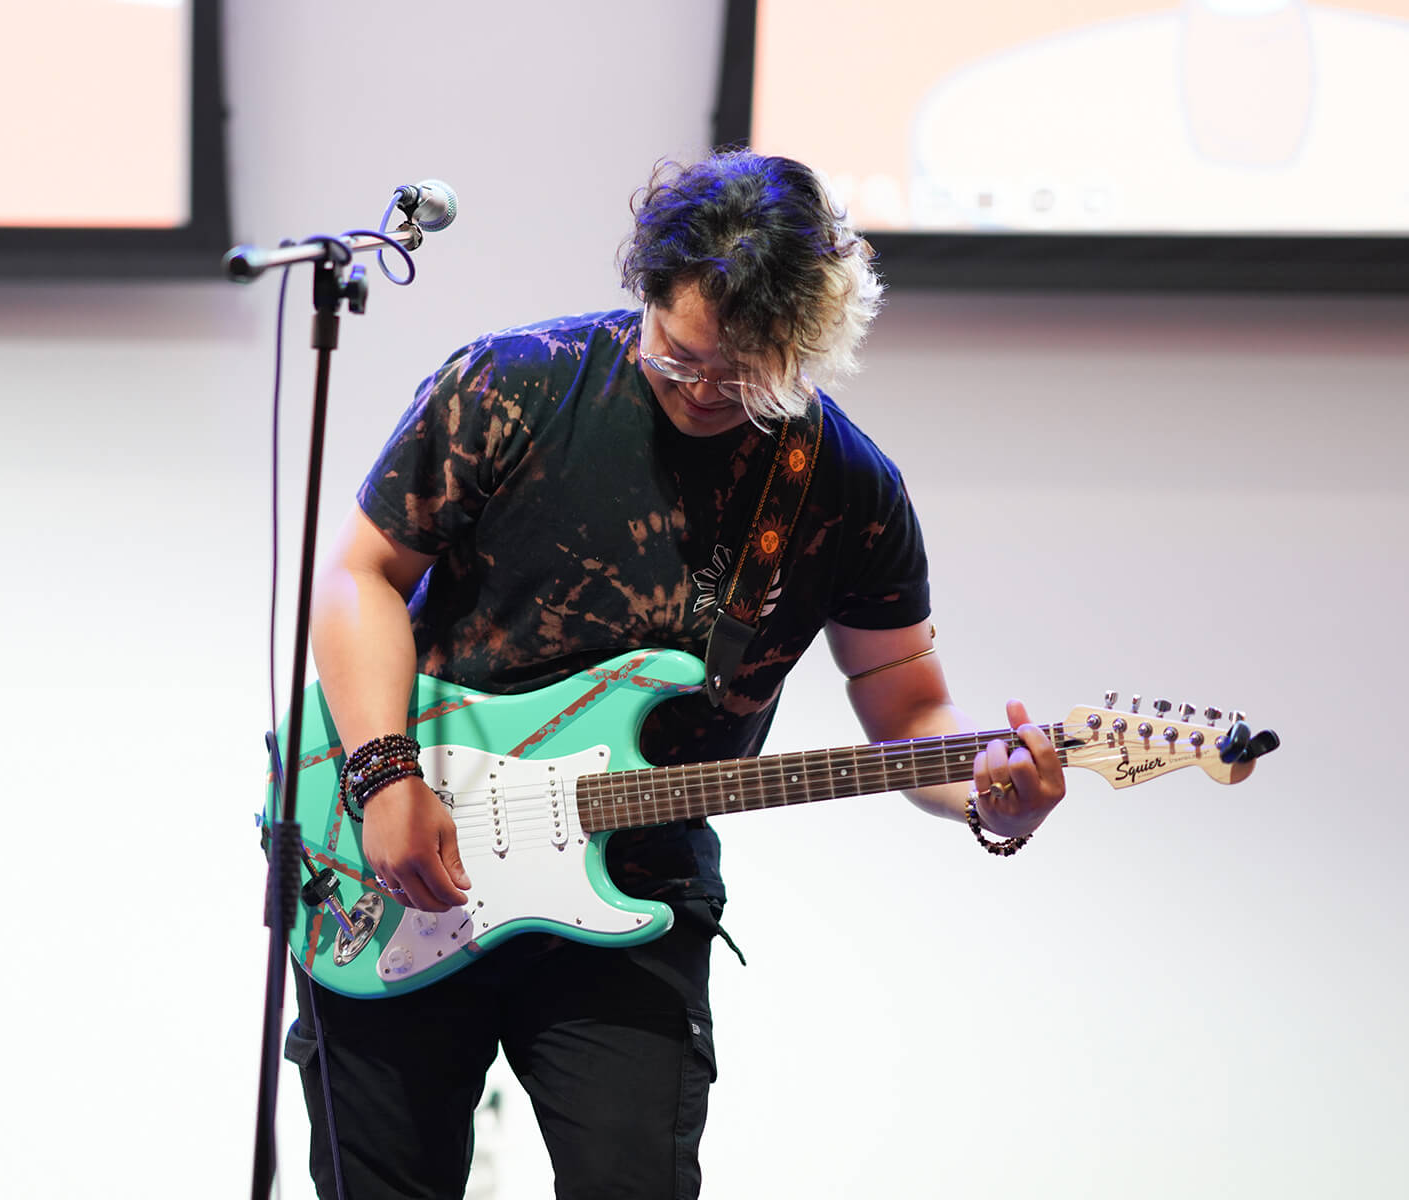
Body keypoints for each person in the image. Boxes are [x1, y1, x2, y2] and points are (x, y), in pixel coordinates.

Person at [287, 150, 1069, 1199]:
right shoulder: (513, 385)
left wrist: (984, 789)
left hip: (635, 890)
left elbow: (909, 706)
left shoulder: (848, 489)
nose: (704, 392)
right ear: (646, 291)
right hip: (403, 847)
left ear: (810, 345)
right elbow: (358, 577)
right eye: (679, 355)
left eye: (743, 376)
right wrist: (384, 775)